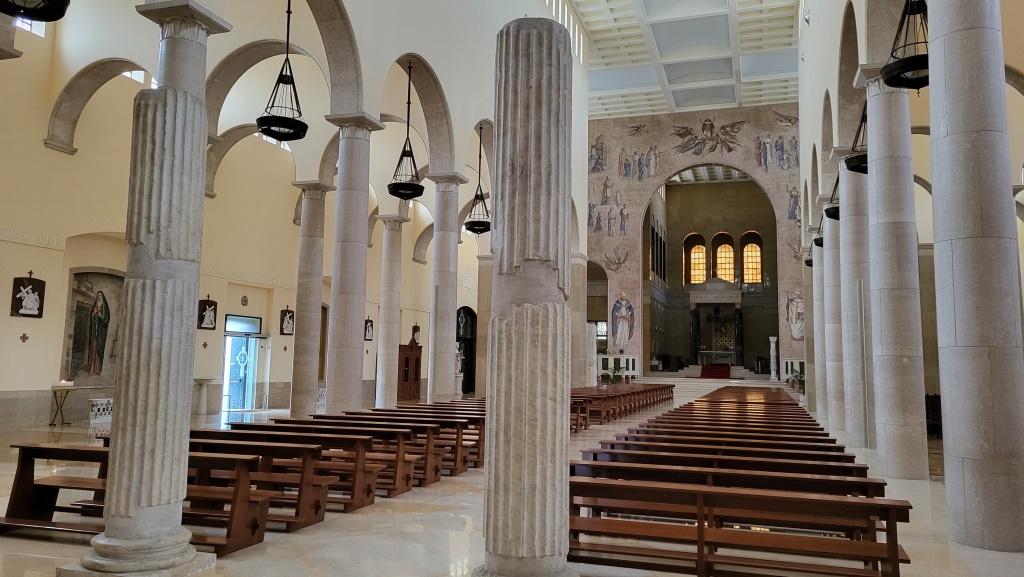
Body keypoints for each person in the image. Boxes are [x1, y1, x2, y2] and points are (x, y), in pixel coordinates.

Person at [87, 291, 110, 375]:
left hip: (100, 332)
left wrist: (100, 315)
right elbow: (91, 315)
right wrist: (93, 314)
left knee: (99, 349)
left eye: (100, 295)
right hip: (94, 330)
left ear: (102, 297)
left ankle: (97, 369)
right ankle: (92, 368)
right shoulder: (95, 305)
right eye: (98, 295)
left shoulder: (105, 306)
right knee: (93, 348)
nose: (99, 297)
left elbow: (106, 319)